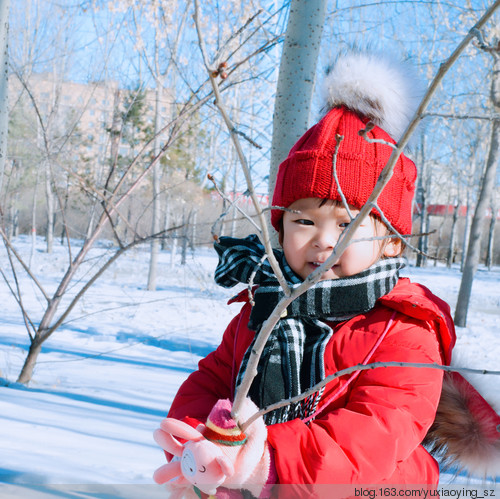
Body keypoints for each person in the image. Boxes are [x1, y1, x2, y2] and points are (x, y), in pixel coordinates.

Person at [152, 52, 495, 496]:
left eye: (349, 224)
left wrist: (267, 462)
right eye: (304, 221)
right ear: (280, 226)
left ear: (392, 241)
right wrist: (201, 441)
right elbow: (211, 382)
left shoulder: (402, 333)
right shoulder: (261, 311)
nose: (324, 241)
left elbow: (371, 439)